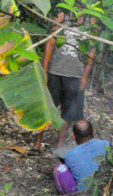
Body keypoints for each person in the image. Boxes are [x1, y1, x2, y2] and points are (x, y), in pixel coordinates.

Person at [35, 10, 97, 152]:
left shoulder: (91, 24)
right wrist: (44, 70)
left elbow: (91, 52)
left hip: (75, 75)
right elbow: (50, 44)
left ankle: (60, 143)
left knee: (69, 113)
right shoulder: (63, 19)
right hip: (55, 73)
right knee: (46, 108)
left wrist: (84, 76)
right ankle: (37, 141)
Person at [53, 120, 110, 194]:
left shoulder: (70, 155)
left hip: (84, 194)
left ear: (74, 137)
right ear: (93, 133)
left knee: (60, 169)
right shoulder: (108, 145)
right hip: (107, 189)